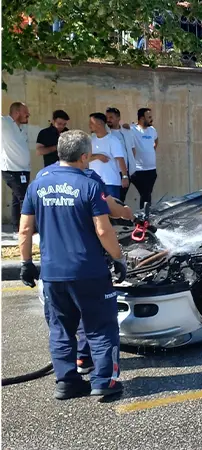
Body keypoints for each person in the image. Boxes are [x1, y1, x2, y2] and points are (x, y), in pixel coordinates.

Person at [19, 129, 126, 399]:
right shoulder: (89, 183)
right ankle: (104, 381)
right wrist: (118, 258)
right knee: (101, 326)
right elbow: (103, 230)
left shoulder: (38, 183)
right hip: (89, 272)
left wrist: (26, 264)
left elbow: (24, 230)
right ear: (84, 155)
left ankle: (66, 382)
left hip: (52, 274)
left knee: (61, 329)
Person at [2, 102, 31, 236]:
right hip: (12, 170)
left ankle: (16, 228)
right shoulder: (5, 123)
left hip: (24, 170)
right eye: (26, 112)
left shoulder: (21, 128)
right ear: (17, 112)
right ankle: (28, 229)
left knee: (16, 199)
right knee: (24, 199)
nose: (28, 114)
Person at [125, 108, 159, 209]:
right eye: (149, 117)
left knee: (146, 196)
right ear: (141, 118)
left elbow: (156, 140)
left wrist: (153, 148)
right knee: (144, 195)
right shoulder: (132, 129)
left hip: (151, 170)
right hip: (138, 170)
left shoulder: (152, 130)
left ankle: (144, 219)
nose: (151, 119)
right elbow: (122, 127)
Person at [88, 113, 125, 199]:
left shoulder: (113, 140)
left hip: (110, 182)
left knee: (113, 210)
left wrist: (124, 176)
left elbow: (120, 159)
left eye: (91, 123)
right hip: (94, 182)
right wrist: (97, 156)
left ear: (100, 123)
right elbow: (85, 158)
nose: (89, 125)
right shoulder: (90, 140)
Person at [106, 107, 136, 203]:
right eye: (107, 117)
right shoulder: (106, 133)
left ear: (118, 118)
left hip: (127, 172)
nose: (108, 120)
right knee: (114, 200)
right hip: (113, 173)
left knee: (121, 199)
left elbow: (132, 149)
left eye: (111, 117)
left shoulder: (127, 132)